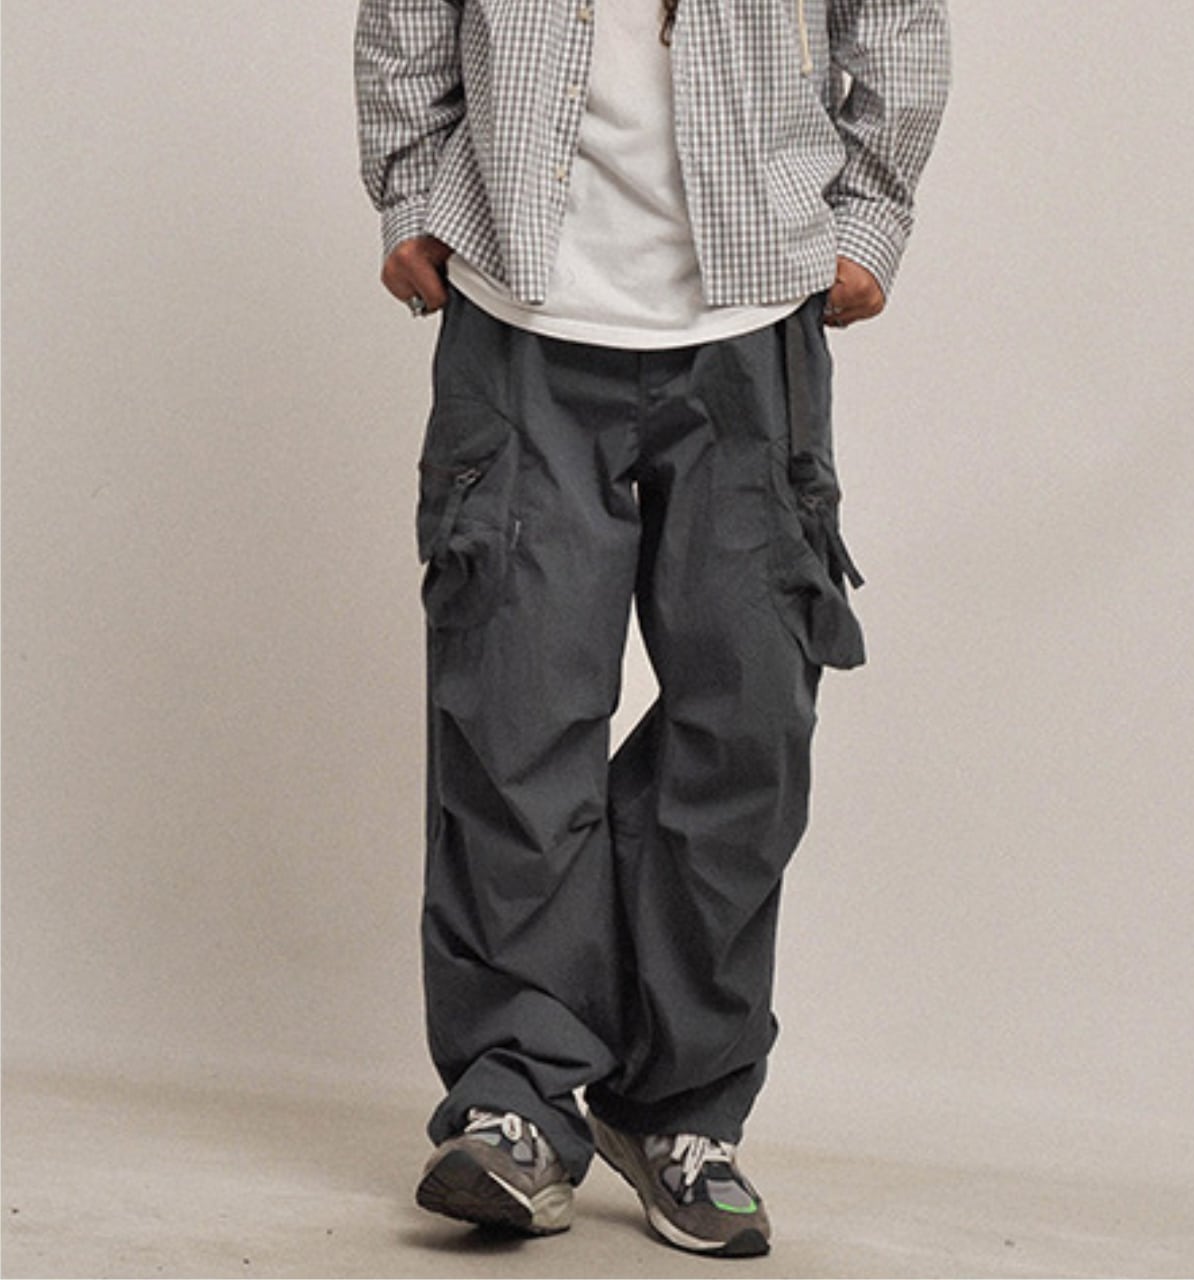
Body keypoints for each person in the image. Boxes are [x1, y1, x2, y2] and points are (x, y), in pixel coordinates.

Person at [354, 0, 949, 1258]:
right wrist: (408, 189)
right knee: (512, 721)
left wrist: (869, 215)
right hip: (518, 307)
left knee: (748, 725)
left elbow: (894, 19)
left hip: (749, 319)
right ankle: (515, 1097)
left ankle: (676, 1104)